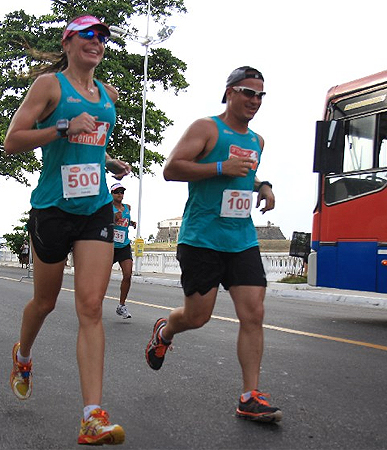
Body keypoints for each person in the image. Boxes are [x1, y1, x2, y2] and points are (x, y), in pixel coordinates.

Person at [3, 14, 130, 446]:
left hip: (94, 208)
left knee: (91, 306)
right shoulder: (50, 86)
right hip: (53, 208)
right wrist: (61, 126)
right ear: (69, 42)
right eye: (89, 36)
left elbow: (91, 141)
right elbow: (13, 139)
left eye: (103, 37)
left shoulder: (108, 95)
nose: (97, 42)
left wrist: (108, 161)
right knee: (45, 301)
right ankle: (22, 356)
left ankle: (92, 416)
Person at [145, 66, 282, 423]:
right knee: (197, 316)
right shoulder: (206, 128)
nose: (255, 100)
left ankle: (250, 396)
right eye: (248, 93)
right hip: (202, 238)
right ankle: (165, 330)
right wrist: (220, 167)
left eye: (260, 95)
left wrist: (262, 185)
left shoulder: (258, 141)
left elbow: (245, 175)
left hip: (241, 239)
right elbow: (172, 168)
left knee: (254, 313)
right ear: (230, 92)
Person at [110, 182, 136, 319]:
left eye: (122, 192)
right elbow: (103, 223)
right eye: (117, 192)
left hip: (124, 245)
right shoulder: (107, 208)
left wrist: (132, 223)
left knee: (128, 274)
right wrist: (114, 219)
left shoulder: (127, 208)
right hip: (109, 246)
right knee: (101, 278)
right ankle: (93, 302)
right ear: (111, 194)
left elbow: (125, 221)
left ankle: (121, 305)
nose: (120, 194)